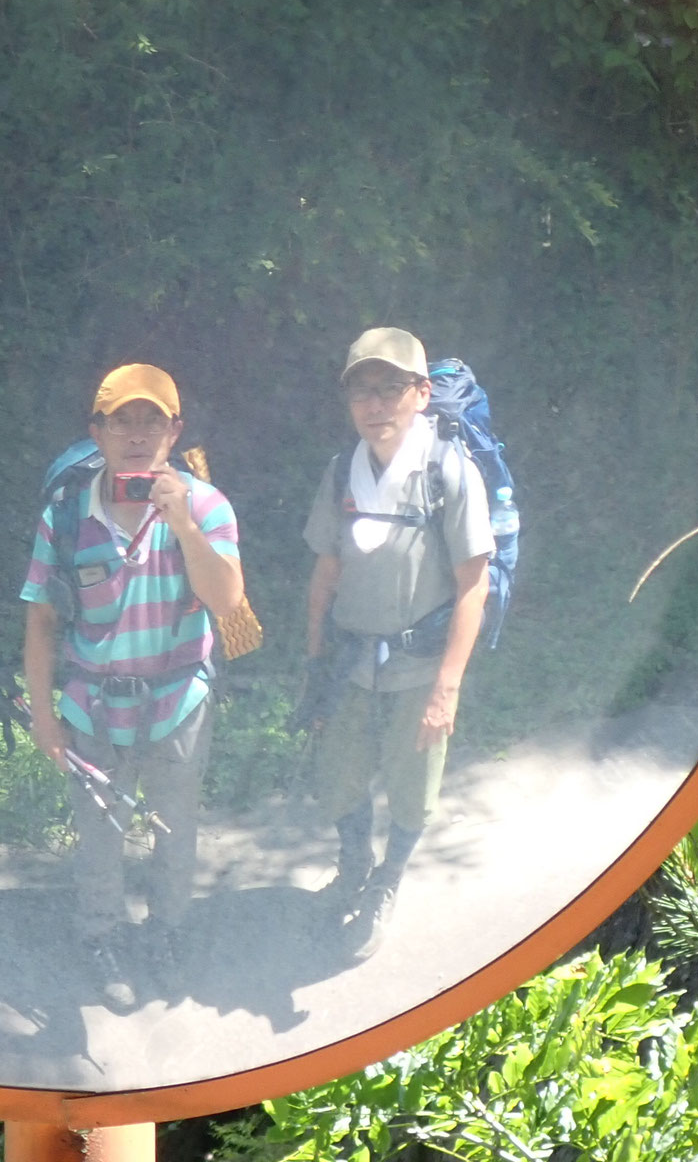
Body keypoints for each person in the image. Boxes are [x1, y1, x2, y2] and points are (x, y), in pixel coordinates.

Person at [20, 364, 242, 1011]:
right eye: (123, 420)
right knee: (100, 834)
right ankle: (102, 936)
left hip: (179, 704)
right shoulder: (66, 514)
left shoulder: (205, 506)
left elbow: (227, 600)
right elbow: (40, 618)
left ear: (175, 431)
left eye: (153, 420)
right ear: (98, 430)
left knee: (175, 830)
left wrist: (183, 526)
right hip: (91, 705)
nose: (138, 434)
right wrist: (42, 714)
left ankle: (167, 933)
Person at [304, 327, 492, 959]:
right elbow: (325, 572)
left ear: (421, 394)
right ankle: (355, 864)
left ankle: (388, 882)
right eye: (363, 390)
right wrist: (312, 664)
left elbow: (473, 585)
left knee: (413, 789)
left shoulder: (447, 470)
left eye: (391, 389)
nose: (376, 404)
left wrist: (448, 686)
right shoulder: (341, 472)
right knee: (339, 777)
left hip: (419, 667)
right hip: (351, 662)